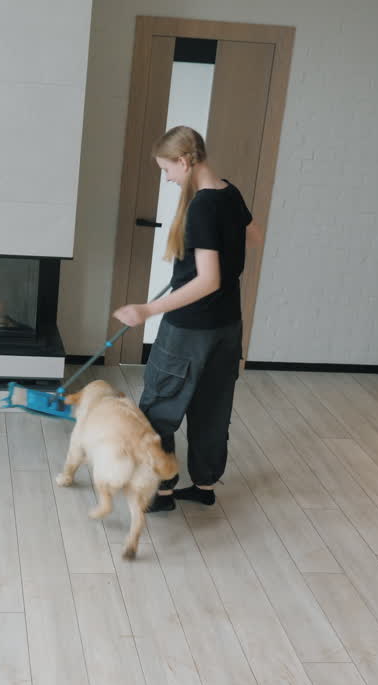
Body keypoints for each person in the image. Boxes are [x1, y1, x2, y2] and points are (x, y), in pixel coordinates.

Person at [113, 125, 260, 512]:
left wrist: (147, 309)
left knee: (159, 406)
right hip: (228, 325)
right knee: (213, 407)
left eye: (167, 170)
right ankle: (204, 486)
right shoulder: (229, 192)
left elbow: (208, 280)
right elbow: (253, 235)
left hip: (189, 329)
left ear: (183, 161)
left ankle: (160, 493)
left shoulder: (201, 207)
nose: (167, 178)